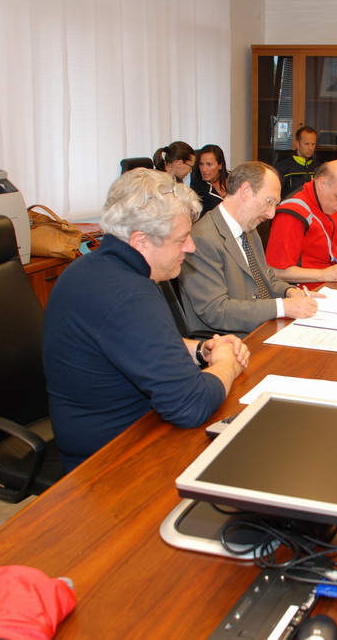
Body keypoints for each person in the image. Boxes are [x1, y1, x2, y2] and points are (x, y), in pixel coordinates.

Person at [43, 168, 250, 472]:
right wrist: (226, 364)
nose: (190, 247)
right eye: (181, 239)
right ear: (141, 241)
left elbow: (134, 343)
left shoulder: (93, 268)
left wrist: (199, 350)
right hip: (110, 458)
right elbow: (191, 406)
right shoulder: (129, 294)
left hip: (126, 430)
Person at [178, 161, 318, 338]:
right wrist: (282, 307)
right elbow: (216, 310)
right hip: (232, 341)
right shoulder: (202, 239)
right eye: (269, 201)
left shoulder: (249, 230)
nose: (271, 214)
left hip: (265, 329)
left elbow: (265, 277)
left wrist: (289, 292)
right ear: (245, 191)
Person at [265, 160, 337, 288]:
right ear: (321, 183)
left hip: (334, 285)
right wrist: (323, 274)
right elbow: (275, 271)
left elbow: (327, 250)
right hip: (307, 292)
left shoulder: (330, 204)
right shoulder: (291, 214)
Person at [274, 126, 320, 198]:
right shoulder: (282, 168)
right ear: (297, 144)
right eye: (306, 144)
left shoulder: (319, 168)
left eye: (313, 144)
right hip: (290, 203)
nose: (310, 148)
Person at [191, 144, 229, 215]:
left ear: (220, 165)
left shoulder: (234, 178)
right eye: (201, 164)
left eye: (209, 164)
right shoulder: (197, 185)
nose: (204, 169)